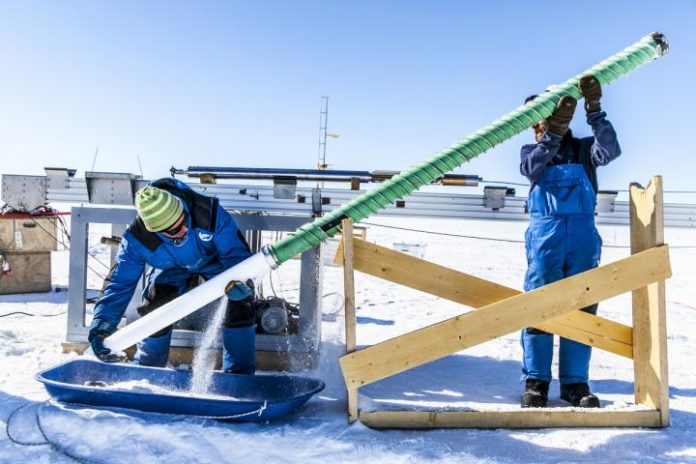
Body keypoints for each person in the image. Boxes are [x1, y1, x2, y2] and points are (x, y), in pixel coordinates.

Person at [519, 75, 621, 408]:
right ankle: (536, 383)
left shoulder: (583, 150)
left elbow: (610, 150)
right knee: (538, 307)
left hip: (581, 239)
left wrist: (594, 110)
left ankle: (575, 384)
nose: (538, 126)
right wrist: (554, 133)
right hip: (545, 240)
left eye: (544, 117)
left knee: (582, 308)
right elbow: (532, 168)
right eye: (536, 121)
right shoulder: (533, 152)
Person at [88, 177, 257, 374]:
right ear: (155, 230)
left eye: (184, 219)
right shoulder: (137, 240)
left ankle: (240, 376)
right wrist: (102, 325)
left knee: (239, 303)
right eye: (175, 229)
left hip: (214, 261)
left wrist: (242, 282)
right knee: (156, 306)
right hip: (169, 269)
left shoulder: (207, 213)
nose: (185, 229)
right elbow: (119, 284)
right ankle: (150, 371)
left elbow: (236, 255)